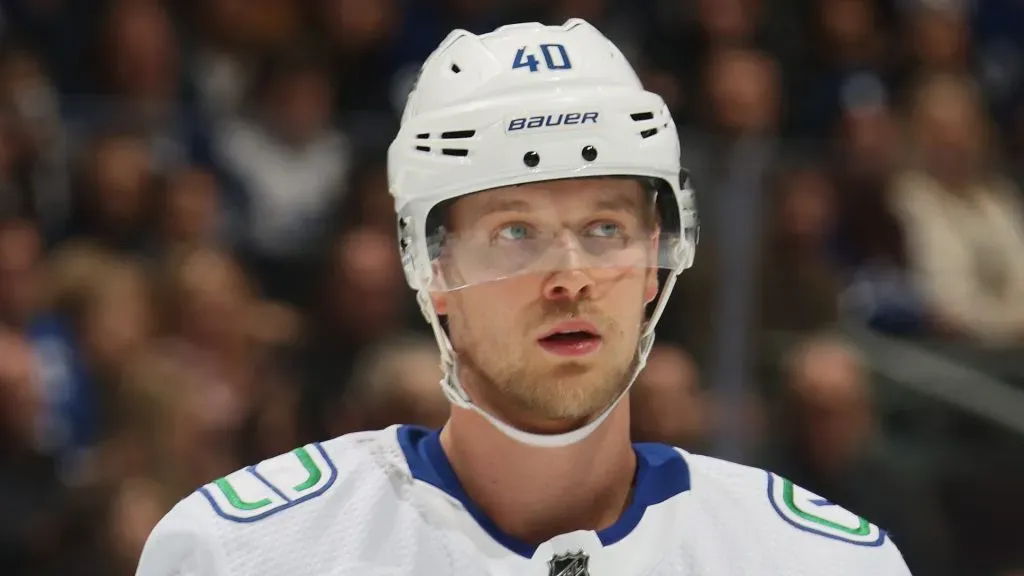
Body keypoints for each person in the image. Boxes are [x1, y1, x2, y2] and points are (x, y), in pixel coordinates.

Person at [135, 20, 912, 575]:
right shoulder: (243, 553)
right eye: (515, 232)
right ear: (430, 269)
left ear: (654, 261)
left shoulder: (818, 560)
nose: (569, 275)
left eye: (605, 228)